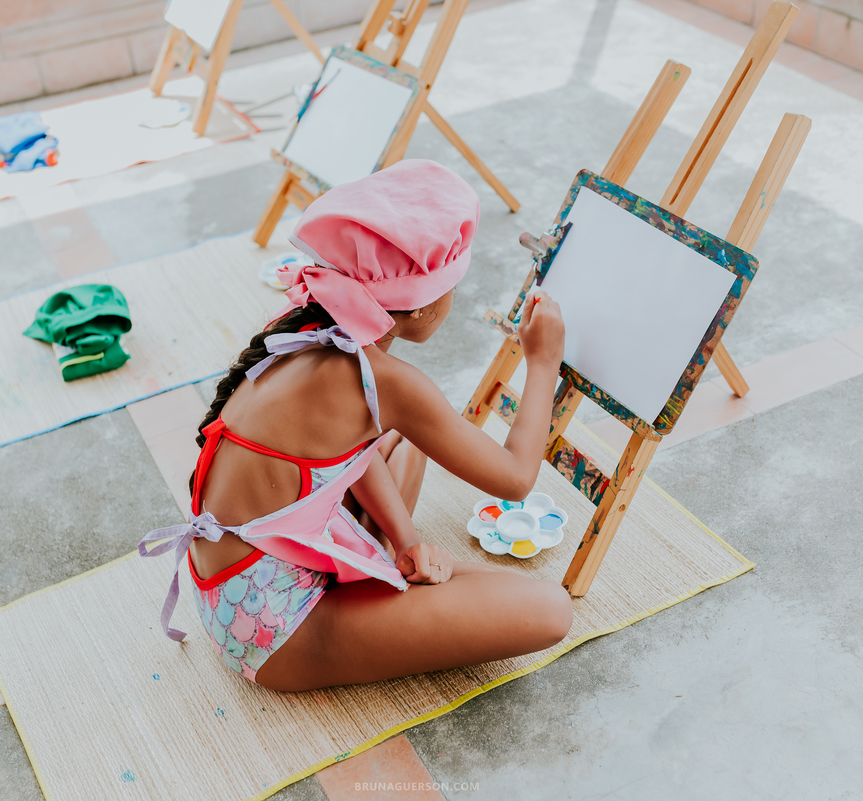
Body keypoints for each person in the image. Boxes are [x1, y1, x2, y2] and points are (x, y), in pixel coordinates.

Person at [140, 159, 571, 692]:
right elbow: (515, 478)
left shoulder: (307, 329)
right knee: (550, 609)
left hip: (230, 588)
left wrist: (408, 539)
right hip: (277, 637)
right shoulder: (386, 380)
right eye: (451, 284)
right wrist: (543, 362)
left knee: (404, 442)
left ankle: (401, 564)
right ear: (420, 307)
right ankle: (409, 582)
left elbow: (353, 450)